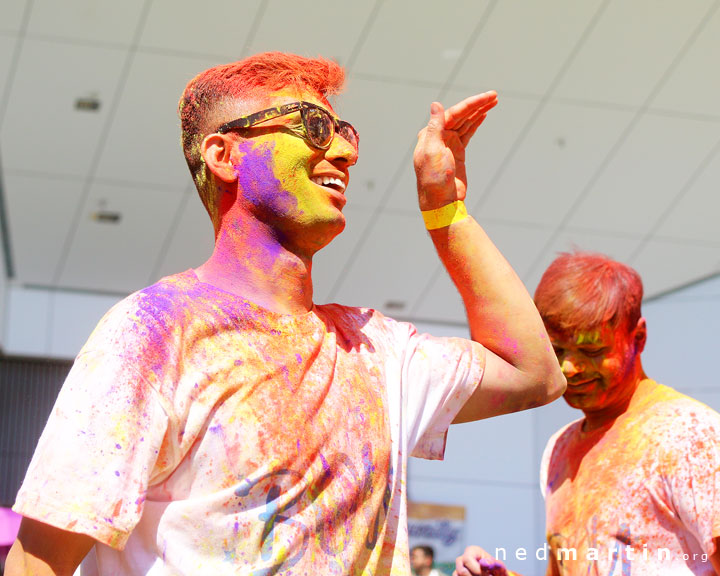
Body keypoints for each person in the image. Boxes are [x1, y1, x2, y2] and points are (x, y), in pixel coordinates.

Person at [6, 52, 564, 576]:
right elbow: (39, 560)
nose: (344, 154)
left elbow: (533, 373)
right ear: (225, 156)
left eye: (345, 134)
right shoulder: (153, 332)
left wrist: (447, 208)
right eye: (313, 128)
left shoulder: (375, 349)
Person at [454, 252, 720, 576]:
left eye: (592, 351)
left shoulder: (689, 436)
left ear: (638, 338)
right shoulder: (559, 449)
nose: (570, 368)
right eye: (557, 350)